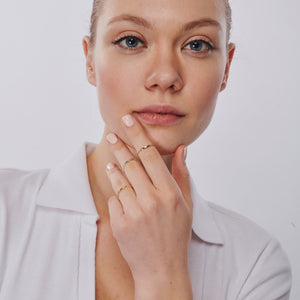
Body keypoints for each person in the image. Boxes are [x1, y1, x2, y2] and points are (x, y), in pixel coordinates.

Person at [0, 0, 292, 299]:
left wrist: (164, 275)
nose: (165, 77)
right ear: (89, 60)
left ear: (226, 68)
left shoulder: (256, 264)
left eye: (197, 45)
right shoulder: (5, 211)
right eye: (132, 41)